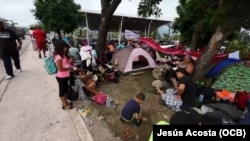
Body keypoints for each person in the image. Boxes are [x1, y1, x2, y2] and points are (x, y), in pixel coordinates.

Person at [53, 39, 74, 110]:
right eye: (65, 47)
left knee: (65, 90)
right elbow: (60, 68)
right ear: (60, 47)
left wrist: (70, 63)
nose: (66, 49)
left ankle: (66, 102)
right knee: (62, 91)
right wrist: (69, 68)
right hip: (61, 76)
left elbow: (66, 63)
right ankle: (65, 105)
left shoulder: (63, 55)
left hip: (65, 76)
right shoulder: (58, 56)